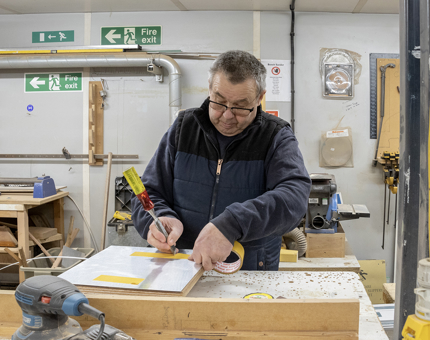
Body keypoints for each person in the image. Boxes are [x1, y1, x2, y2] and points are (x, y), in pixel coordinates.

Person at [131, 50, 311, 271]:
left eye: (240, 107)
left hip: (249, 270)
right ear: (209, 89)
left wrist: (233, 223)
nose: (227, 116)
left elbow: (294, 198)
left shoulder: (276, 136)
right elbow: (147, 191)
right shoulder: (183, 129)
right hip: (181, 264)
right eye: (219, 102)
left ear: (260, 97)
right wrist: (159, 217)